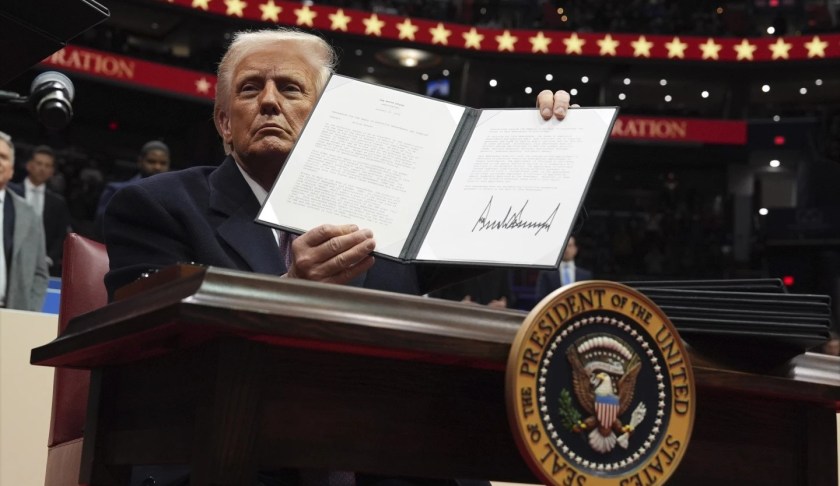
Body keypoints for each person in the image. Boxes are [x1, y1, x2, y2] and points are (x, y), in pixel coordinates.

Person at [102, 27, 573, 484]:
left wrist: (547, 147)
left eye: (290, 88)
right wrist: (288, 294)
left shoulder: (394, 213)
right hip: (235, 454)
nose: (269, 101)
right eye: (250, 89)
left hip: (392, 458)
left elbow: (525, 231)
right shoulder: (156, 207)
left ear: (327, 119)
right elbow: (154, 357)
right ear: (224, 123)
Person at [0, 131, 49, 311]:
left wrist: (30, 311)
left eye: (3, 157)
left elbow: (40, 272)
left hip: (12, 316)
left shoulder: (28, 213)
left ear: (11, 170)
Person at [8, 145, 73, 277]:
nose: (42, 168)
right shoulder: (10, 192)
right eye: (39, 163)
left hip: (42, 267)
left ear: (52, 171)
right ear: (29, 165)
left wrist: (49, 259)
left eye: (47, 165)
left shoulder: (58, 203)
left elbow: (61, 236)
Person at [94, 140, 170, 237]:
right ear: (140, 161)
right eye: (151, 161)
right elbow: (102, 227)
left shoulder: (174, 196)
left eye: (163, 163)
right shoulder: (116, 190)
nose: (157, 167)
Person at [534, 235, 592, 302]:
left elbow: (588, 299)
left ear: (575, 249)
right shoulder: (546, 274)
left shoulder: (585, 275)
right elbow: (540, 298)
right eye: (563, 246)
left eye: (569, 246)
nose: (566, 249)